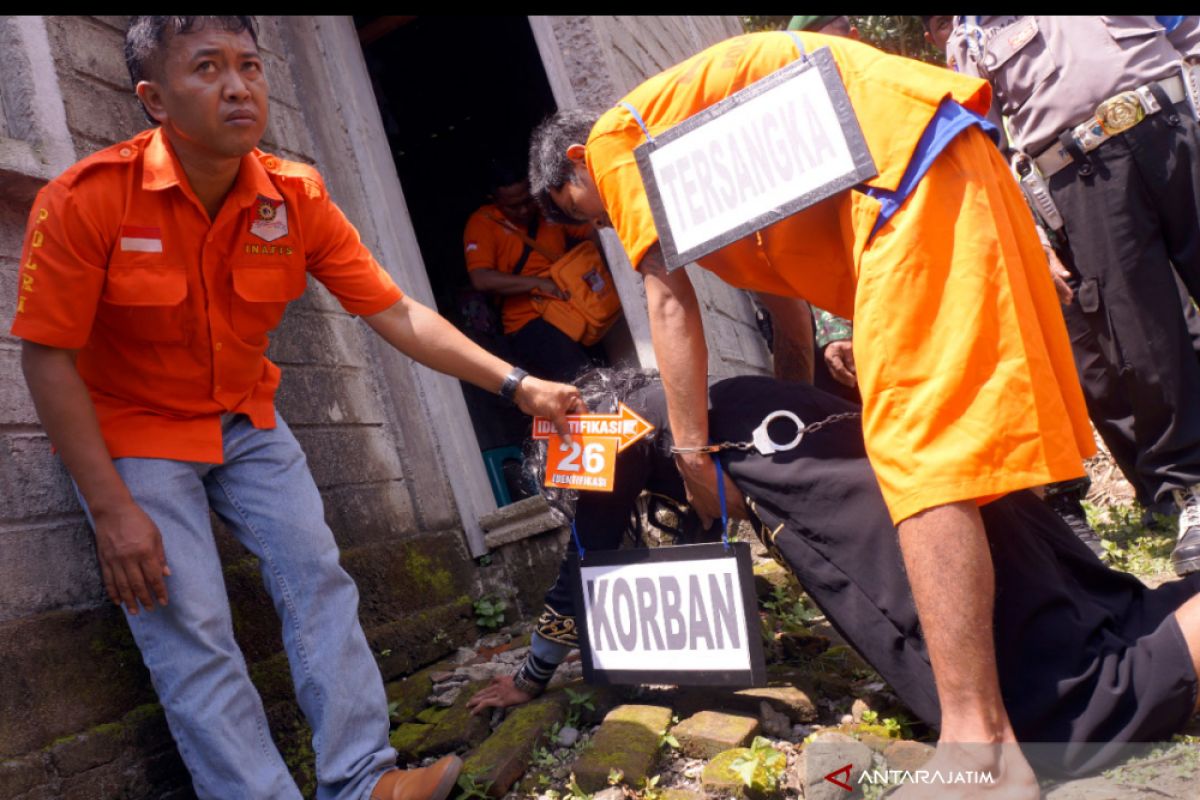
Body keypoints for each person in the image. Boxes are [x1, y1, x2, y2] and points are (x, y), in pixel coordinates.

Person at [11, 16, 584, 800]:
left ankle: (361, 780)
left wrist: (518, 385)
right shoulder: (85, 201)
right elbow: (46, 356)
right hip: (131, 431)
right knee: (194, 630)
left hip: (247, 419)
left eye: (249, 64)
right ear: (153, 99)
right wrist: (111, 507)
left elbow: (397, 312)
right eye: (207, 68)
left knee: (317, 579)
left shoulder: (296, 195)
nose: (239, 84)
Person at [529, 30, 1096, 798]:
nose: (598, 229)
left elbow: (664, 302)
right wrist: (803, 392)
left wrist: (694, 460)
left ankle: (981, 745)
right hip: (939, 153)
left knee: (923, 461)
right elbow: (786, 314)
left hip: (904, 178)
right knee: (965, 454)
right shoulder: (702, 163)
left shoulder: (614, 143)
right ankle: (1055, 628)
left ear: (574, 168)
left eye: (580, 211)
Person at [467, 372, 1200, 780]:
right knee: (1046, 615)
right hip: (861, 464)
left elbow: (585, 565)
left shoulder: (589, 435)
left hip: (835, 503)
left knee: (1048, 709)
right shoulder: (667, 394)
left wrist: (531, 677)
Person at [946, 16, 1200, 575]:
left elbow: (1187, 33)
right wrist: (1033, 236)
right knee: (1144, 339)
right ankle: (1192, 494)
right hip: (1082, 177)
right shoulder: (969, 37)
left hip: (1175, 128)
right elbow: (981, 145)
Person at [464, 161, 597, 383]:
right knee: (587, 384)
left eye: (527, 201)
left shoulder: (546, 206)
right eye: (513, 207)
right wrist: (539, 283)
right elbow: (481, 279)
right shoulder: (483, 223)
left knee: (609, 375)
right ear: (495, 201)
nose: (523, 210)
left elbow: (593, 231)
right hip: (529, 322)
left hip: (578, 308)